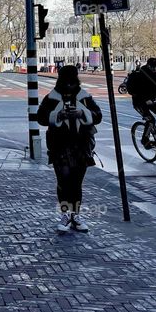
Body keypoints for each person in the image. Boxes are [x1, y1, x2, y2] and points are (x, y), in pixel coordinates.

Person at [37, 65, 102, 233]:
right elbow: (41, 117)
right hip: (60, 144)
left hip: (80, 144)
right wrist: (58, 115)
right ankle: (67, 214)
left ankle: (74, 214)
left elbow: (98, 116)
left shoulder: (84, 97)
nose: (69, 85)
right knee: (65, 180)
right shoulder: (52, 98)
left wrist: (82, 114)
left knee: (75, 182)